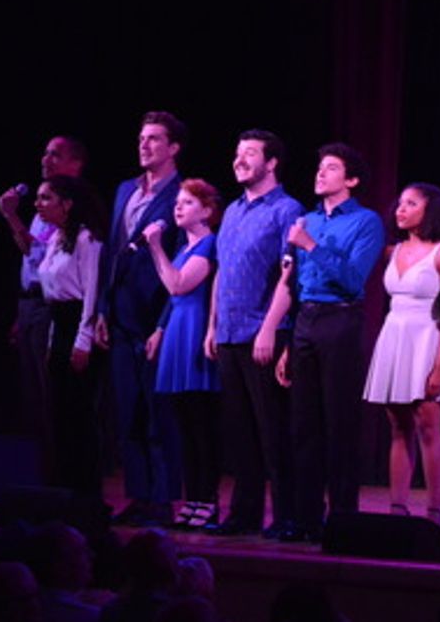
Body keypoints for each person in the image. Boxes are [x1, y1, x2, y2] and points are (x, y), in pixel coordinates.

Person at [267, 143, 385, 543]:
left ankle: (342, 520)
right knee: (303, 426)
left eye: (331, 168)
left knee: (339, 424)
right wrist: (287, 341)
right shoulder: (309, 220)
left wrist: (310, 246)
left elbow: (354, 280)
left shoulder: (365, 222)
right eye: (319, 167)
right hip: (306, 321)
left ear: (350, 180)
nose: (320, 174)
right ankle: (305, 519)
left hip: (341, 320)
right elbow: (295, 284)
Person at [203, 129, 305, 537]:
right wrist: (212, 325)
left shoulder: (286, 209)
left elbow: (289, 272)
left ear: (272, 162)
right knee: (239, 431)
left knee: (272, 430)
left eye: (249, 153)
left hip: (264, 333)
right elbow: (222, 271)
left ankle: (285, 516)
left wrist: (268, 330)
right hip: (228, 332)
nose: (239, 160)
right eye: (237, 153)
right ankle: (244, 514)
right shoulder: (231, 211)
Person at [97, 111, 187, 526]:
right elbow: (111, 253)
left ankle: (163, 499)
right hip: (121, 315)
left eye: (154, 139)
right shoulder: (124, 191)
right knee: (128, 411)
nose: (145, 145)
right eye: (141, 138)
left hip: (155, 315)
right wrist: (101, 309)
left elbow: (186, 262)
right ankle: (138, 494)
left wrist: (164, 322)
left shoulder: (182, 195)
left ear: (173, 148)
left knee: (157, 413)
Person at [362, 183, 440, 525]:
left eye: (410, 203)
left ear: (429, 209)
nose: (400, 209)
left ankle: (435, 511)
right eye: (399, 203)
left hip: (427, 338)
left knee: (429, 426)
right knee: (398, 428)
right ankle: (397, 508)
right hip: (394, 336)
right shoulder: (393, 250)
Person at [0, 135, 88, 449]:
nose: (45, 160)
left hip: (55, 304)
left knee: (52, 391)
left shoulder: (74, 207)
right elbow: (29, 253)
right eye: (45, 154)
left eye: (55, 155)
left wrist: (11, 216)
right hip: (31, 303)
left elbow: (50, 255)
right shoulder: (41, 207)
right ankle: (39, 469)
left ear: (75, 164)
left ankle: (59, 469)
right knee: (31, 393)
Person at [144, 179, 223, 530]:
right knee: (184, 428)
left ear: (206, 210)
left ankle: (207, 499)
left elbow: (178, 284)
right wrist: (160, 328)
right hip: (177, 327)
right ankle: (192, 499)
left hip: (194, 331)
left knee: (201, 425)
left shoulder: (208, 245)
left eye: (188, 202)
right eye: (178, 202)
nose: (178, 207)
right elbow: (171, 293)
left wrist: (155, 247)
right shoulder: (183, 247)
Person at [33, 174, 107, 498]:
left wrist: (83, 340)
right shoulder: (55, 239)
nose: (38, 204)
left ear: (67, 204)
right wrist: (53, 340)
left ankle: (85, 488)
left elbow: (91, 291)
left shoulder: (86, 239)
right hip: (59, 323)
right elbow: (51, 292)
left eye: (46, 198)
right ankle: (63, 484)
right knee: (59, 410)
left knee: (79, 411)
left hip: (79, 323)